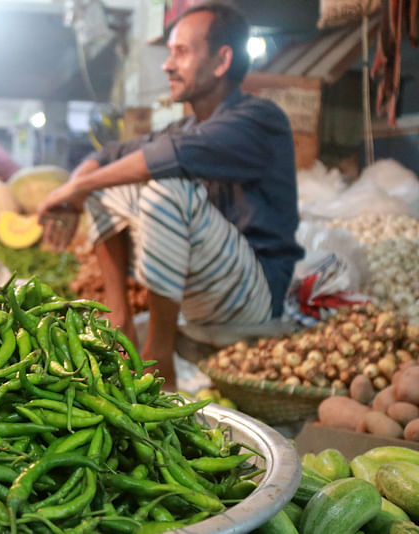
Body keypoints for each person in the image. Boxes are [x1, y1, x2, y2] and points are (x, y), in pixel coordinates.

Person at [38, 2, 303, 389]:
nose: (167, 65)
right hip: (205, 289)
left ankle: (158, 355)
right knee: (109, 178)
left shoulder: (259, 119)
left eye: (181, 52)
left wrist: (76, 188)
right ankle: (119, 323)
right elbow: (105, 156)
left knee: (164, 183)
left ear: (221, 60)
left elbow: (169, 159)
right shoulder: (185, 126)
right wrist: (75, 192)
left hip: (255, 295)